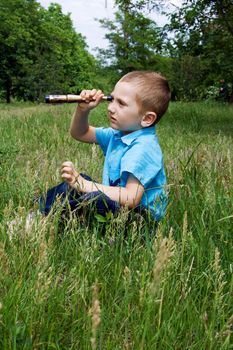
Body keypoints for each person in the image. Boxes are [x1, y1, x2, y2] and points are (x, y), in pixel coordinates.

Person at [40, 71, 171, 223]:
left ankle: (50, 220)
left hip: (140, 219)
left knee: (93, 196)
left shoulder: (144, 147)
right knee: (73, 187)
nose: (110, 108)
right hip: (118, 206)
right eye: (111, 99)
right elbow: (80, 133)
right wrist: (83, 110)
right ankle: (39, 214)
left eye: (121, 103)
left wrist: (84, 184)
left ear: (147, 118)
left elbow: (131, 197)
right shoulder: (118, 134)